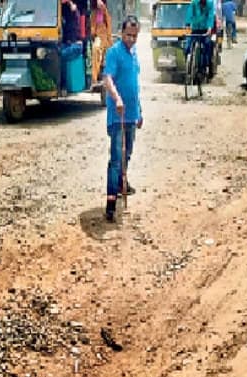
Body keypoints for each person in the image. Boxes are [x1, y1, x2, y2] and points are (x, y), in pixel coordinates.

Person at [103, 15, 143, 222]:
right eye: (128, 35)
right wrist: (117, 98)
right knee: (116, 158)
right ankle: (111, 202)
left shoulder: (134, 54)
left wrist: (140, 112)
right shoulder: (114, 52)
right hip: (117, 114)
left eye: (134, 36)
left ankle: (121, 184)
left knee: (127, 154)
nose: (131, 39)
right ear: (121, 33)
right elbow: (108, 79)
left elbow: (135, 86)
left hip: (132, 114)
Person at [184, 0, 214, 79]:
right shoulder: (194, 3)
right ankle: (188, 65)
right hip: (195, 29)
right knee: (187, 46)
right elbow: (189, 13)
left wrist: (209, 27)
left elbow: (210, 16)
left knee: (207, 46)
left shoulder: (210, 4)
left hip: (205, 29)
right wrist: (187, 24)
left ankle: (207, 68)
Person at [90, 0, 112, 85]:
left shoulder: (105, 13)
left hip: (105, 38)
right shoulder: (94, 13)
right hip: (99, 37)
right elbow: (93, 29)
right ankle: (94, 79)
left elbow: (108, 28)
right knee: (96, 50)